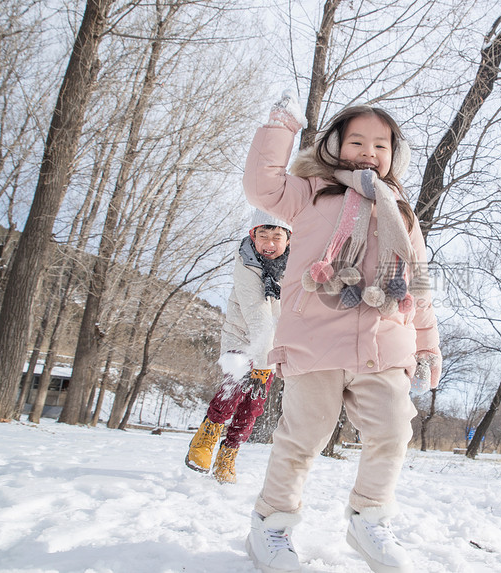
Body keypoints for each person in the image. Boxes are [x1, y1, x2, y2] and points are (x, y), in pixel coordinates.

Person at [241, 91, 442, 573]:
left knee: (394, 427)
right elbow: (261, 185)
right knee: (302, 438)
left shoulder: (403, 211)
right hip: (316, 338)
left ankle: (369, 517)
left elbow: (418, 280)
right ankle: (271, 525)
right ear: (334, 145)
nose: (369, 152)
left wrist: (427, 345)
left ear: (396, 155)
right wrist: (281, 125)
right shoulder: (310, 191)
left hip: (385, 341)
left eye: (381, 144)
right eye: (357, 141)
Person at [185, 209, 291, 484]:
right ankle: (207, 437)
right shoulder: (246, 264)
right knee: (237, 386)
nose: (269, 244)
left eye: (276, 237)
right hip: (242, 337)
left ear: (289, 240)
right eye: (263, 236)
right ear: (252, 236)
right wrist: (263, 364)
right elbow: (258, 316)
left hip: (269, 345)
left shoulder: (294, 267)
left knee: (253, 405)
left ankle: (229, 454)